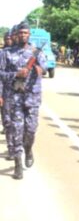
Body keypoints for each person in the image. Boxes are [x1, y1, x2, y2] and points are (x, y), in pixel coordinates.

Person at [0, 22, 42, 179]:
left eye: (26, 33)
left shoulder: (36, 52)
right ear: (16, 34)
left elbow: (44, 68)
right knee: (16, 130)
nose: (23, 35)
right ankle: (18, 165)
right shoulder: (6, 53)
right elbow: (1, 74)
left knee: (30, 130)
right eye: (21, 33)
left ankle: (28, 149)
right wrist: (16, 74)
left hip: (32, 97)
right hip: (14, 97)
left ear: (29, 35)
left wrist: (38, 68)